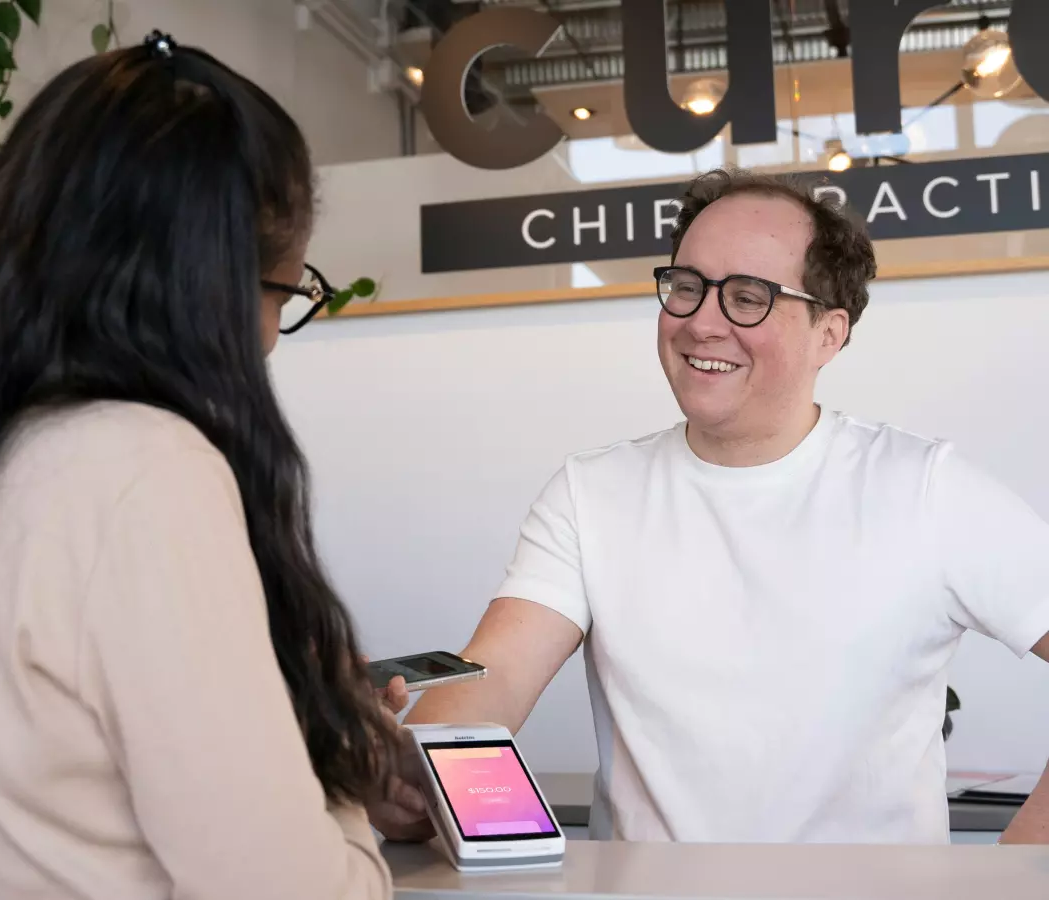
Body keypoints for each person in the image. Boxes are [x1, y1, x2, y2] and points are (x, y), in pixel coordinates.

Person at [0, 34, 398, 900]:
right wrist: (335, 768)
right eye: (282, 295)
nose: (264, 344)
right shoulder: (143, 473)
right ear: (208, 288)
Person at [372, 169, 1049, 846]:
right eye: (687, 287)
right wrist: (409, 774)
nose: (701, 322)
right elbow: (498, 678)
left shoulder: (926, 488)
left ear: (829, 334)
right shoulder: (592, 492)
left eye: (748, 297)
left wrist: (1015, 872)